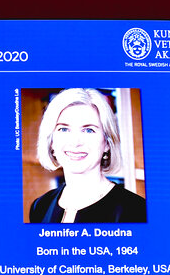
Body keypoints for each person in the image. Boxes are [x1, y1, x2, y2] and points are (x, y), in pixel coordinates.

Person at [29, 88, 146, 224]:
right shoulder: (40, 206)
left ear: (107, 143)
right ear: (51, 141)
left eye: (88, 130)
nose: (75, 142)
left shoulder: (135, 210)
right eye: (64, 129)